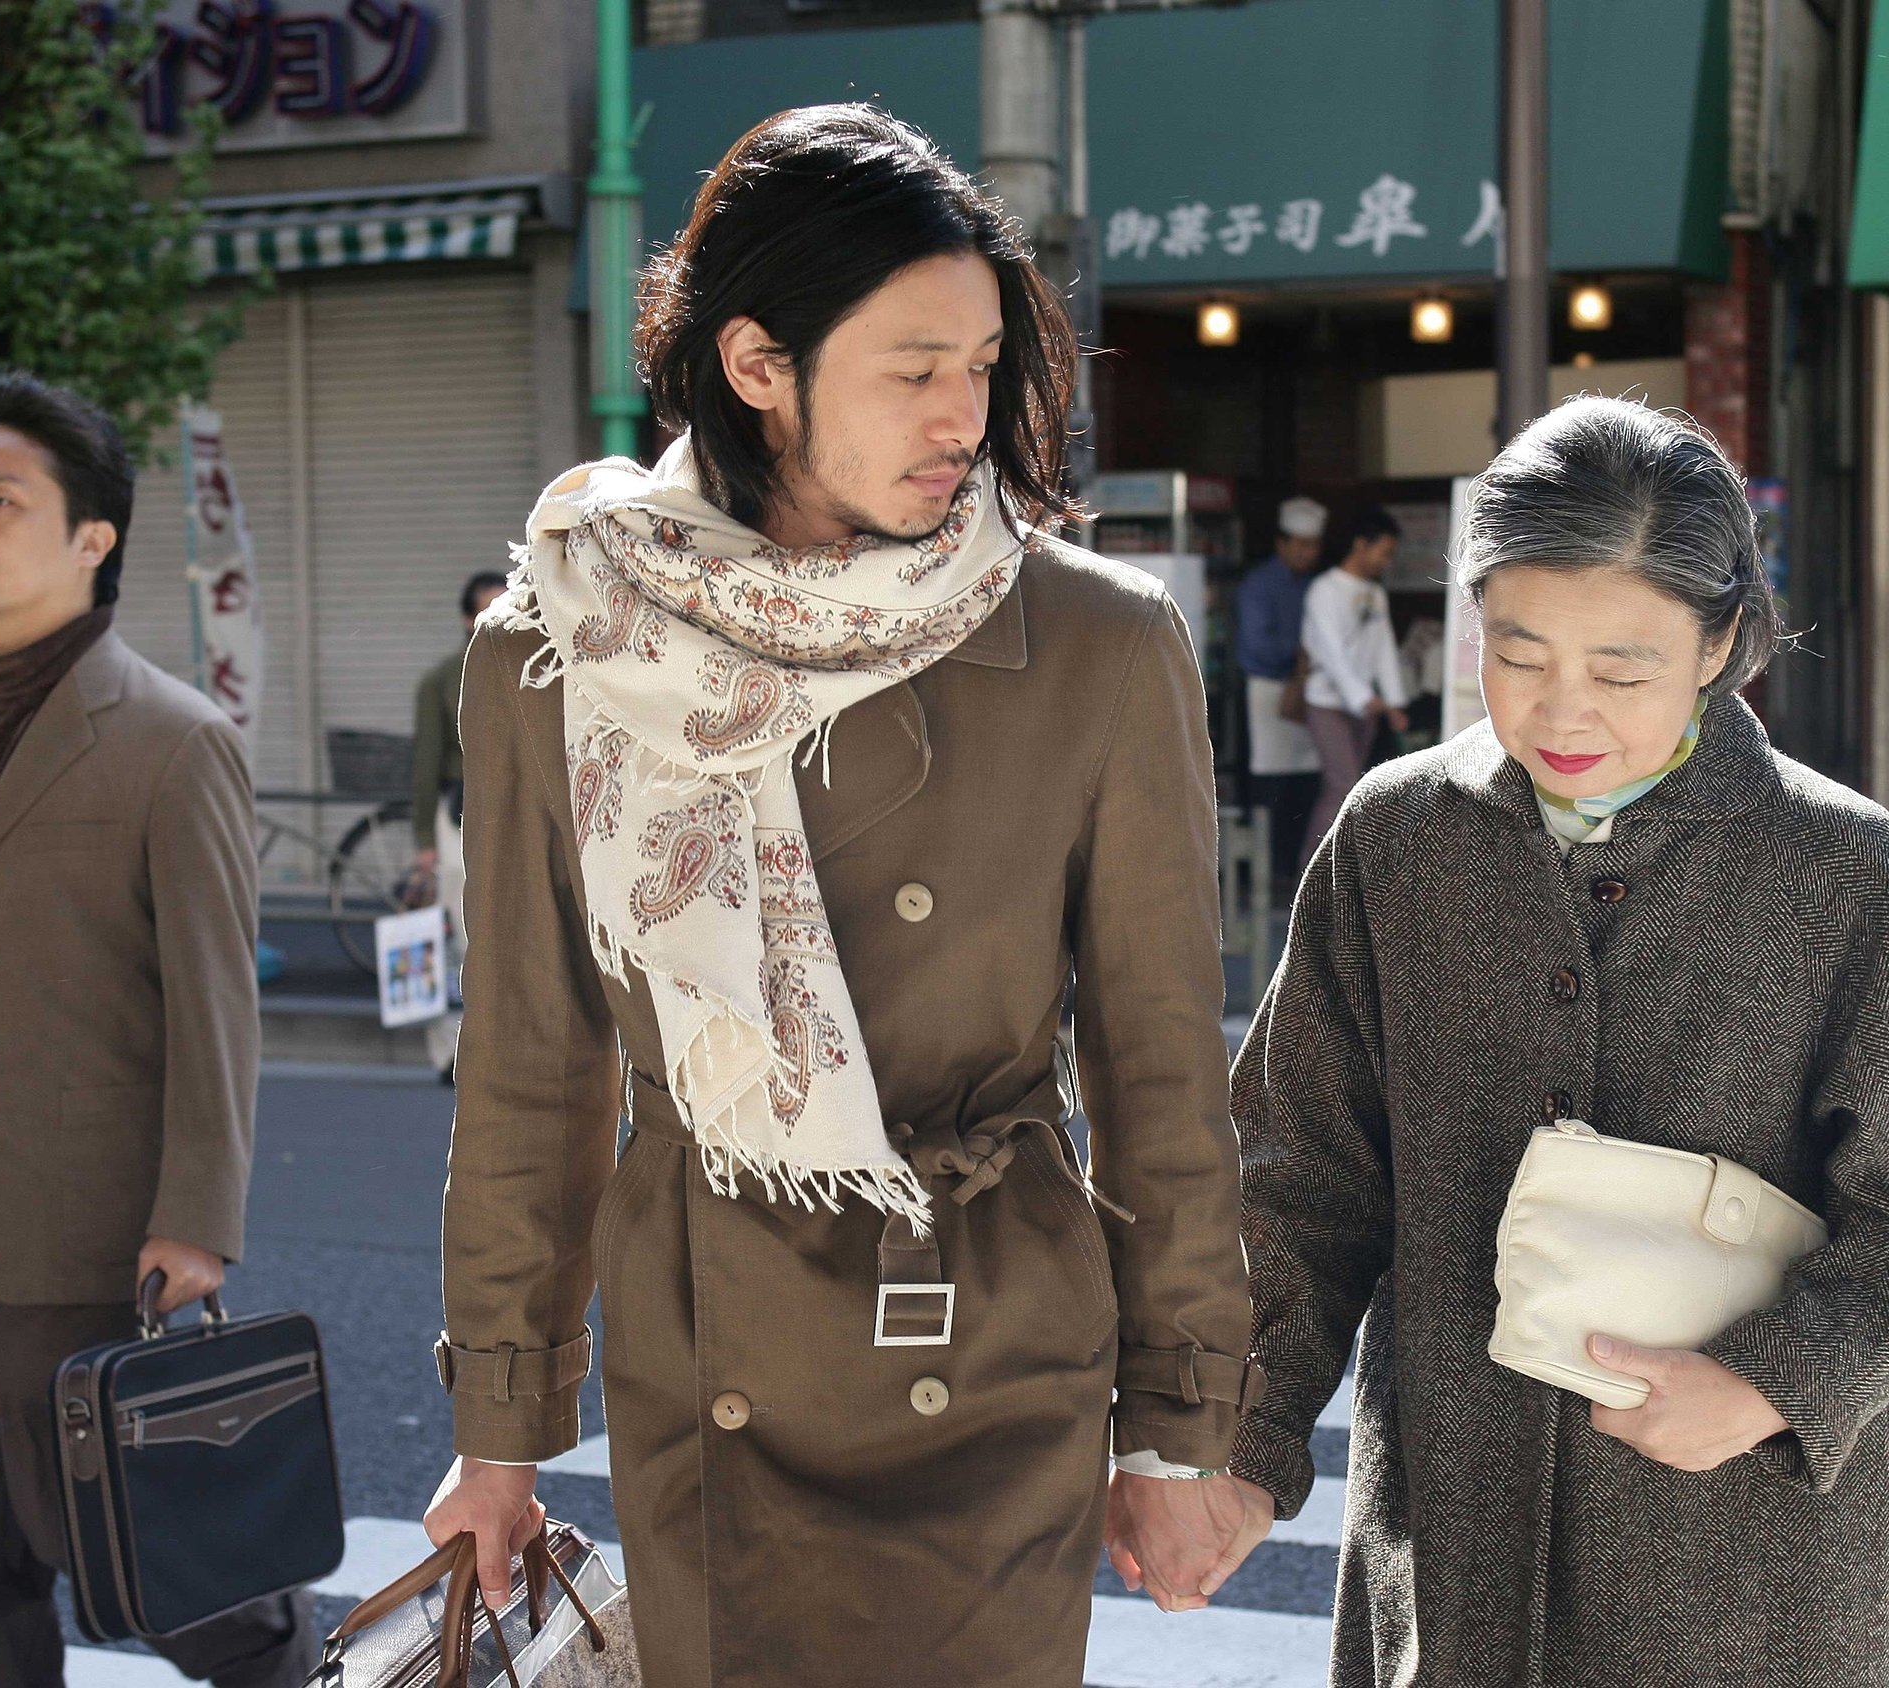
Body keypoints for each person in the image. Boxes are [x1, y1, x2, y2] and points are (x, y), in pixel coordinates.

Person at [419, 105, 1259, 1685]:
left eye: (986, 366)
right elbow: (534, 1059)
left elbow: (1161, 1067)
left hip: (990, 1341)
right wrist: (503, 1434)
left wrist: (1184, 1424)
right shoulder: (567, 644)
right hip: (710, 1346)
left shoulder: (1096, 643)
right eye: (914, 368)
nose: (969, 415)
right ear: (756, 365)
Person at [1114, 396, 1889, 1683]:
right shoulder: (1397, 835)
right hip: (1454, 1530)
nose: (1562, 707)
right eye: (1518, 651)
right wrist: (1237, 1447)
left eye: (1623, 667)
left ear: (1722, 645)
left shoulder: (1836, 866)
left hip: (1745, 1558)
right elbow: (1301, 1179)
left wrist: (1764, 1382)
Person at [0, 374, 305, 1688]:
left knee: (147, 1552)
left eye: (1, 503)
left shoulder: (171, 741)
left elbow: (215, 1007)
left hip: (93, 1227)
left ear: (93, 537)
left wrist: (199, 1216)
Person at [411, 567, 508, 1078]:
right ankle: (456, 1049)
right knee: (460, 934)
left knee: (515, 933)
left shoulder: (535, 672)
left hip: (515, 818)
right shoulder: (442, 681)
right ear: (467, 618)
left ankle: (503, 1045)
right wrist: (422, 841)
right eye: (485, 611)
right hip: (459, 817)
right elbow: (424, 763)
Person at [1300, 501, 1409, 841]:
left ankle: (1342, 871)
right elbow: (1329, 653)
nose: (1386, 561)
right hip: (1327, 701)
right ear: (1360, 544)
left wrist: (1393, 702)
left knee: (1354, 786)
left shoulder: (1375, 593)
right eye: (1384, 552)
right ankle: (1312, 870)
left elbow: (1383, 650)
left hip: (1368, 705)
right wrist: (1364, 699)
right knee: (1343, 784)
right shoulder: (1324, 590)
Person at [1237, 495, 1327, 894]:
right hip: (1266, 690)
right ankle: (1268, 874)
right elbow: (1255, 648)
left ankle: (1292, 871)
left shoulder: (1315, 585)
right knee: (1270, 785)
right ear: (1282, 543)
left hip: (1305, 689)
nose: (1308, 553)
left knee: (1304, 782)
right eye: (1301, 545)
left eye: (1314, 546)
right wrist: (1304, 653)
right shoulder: (1258, 585)